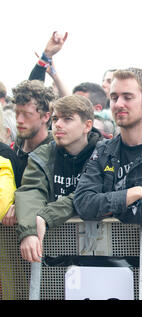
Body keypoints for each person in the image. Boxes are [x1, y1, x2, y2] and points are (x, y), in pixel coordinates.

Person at [73, 68, 142, 227]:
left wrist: (110, 209)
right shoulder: (103, 151)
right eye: (114, 97)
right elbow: (84, 204)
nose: (118, 104)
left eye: (127, 97)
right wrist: (137, 193)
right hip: (114, 249)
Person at [15, 95, 101, 262]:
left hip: (101, 248)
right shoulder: (42, 155)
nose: (58, 125)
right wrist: (29, 230)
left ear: (87, 125)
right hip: (54, 248)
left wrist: (46, 215)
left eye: (67, 119)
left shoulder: (104, 152)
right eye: (55, 119)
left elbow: (88, 195)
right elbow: (31, 191)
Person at [12, 79, 57, 186]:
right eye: (17, 113)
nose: (19, 120)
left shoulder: (56, 151)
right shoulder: (16, 146)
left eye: (27, 114)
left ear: (46, 116)